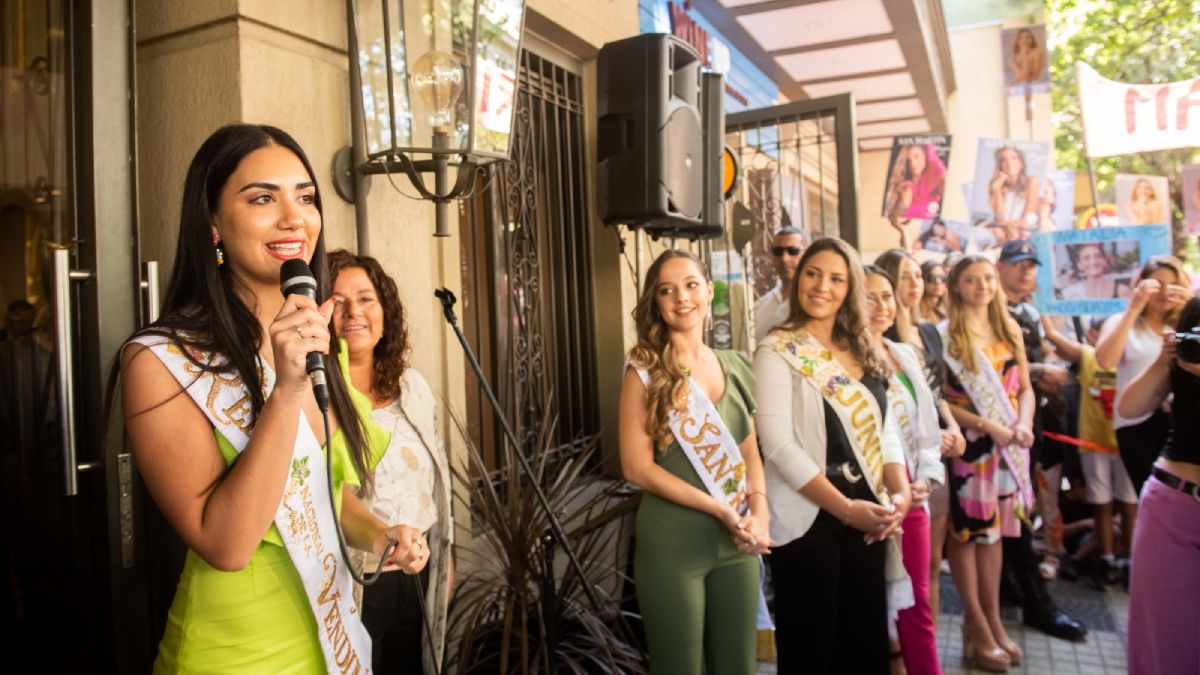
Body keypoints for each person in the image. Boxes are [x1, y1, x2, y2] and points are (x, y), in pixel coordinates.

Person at [114, 124, 428, 672]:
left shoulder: (317, 336)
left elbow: (322, 490)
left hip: (331, 640)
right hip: (232, 653)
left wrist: (380, 536)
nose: (293, 218)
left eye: (305, 197)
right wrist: (284, 393)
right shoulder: (161, 360)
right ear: (212, 222)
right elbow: (226, 545)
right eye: (263, 198)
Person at [755, 237, 911, 674]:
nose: (822, 286)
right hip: (811, 521)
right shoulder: (777, 349)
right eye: (813, 274)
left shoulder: (862, 346)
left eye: (836, 279)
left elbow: (884, 428)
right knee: (813, 653)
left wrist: (899, 492)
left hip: (868, 519)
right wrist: (844, 510)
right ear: (797, 279)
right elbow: (777, 444)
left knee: (865, 647)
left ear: (850, 288)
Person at [619, 249, 769, 674]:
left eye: (690, 285)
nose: (681, 298)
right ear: (656, 303)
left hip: (736, 542)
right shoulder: (644, 371)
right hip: (673, 543)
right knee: (680, 667)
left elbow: (749, 453)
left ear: (708, 291)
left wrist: (759, 513)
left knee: (738, 665)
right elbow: (636, 468)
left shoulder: (735, 364)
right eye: (666, 290)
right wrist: (720, 509)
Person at [329, 250, 453, 674]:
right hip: (354, 579)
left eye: (366, 299)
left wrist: (444, 562)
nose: (354, 312)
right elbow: (329, 495)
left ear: (385, 311)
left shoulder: (411, 387)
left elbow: (437, 483)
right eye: (338, 302)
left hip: (418, 573)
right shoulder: (318, 398)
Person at [940, 255, 1036, 671]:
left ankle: (993, 621)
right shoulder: (945, 336)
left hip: (1007, 447)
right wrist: (985, 424)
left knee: (995, 537)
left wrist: (1024, 422)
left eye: (987, 278)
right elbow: (939, 401)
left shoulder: (1009, 328)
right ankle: (976, 624)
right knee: (968, 535)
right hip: (971, 450)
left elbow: (1026, 389)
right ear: (956, 287)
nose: (981, 286)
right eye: (971, 279)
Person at [994, 240, 1087, 642]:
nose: (1026, 271)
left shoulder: (1032, 312)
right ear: (999, 267)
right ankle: (1033, 599)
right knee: (1011, 511)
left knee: (1022, 507)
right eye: (1018, 264)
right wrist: (1035, 370)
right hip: (998, 426)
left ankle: (1010, 585)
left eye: (1031, 265)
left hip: (1031, 421)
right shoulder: (988, 309)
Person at [864, 264, 947, 675]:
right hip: (870, 502)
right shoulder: (842, 363)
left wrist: (927, 478)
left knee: (917, 604)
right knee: (874, 609)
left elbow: (928, 429)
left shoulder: (905, 354)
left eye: (886, 296)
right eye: (869, 297)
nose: (881, 306)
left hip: (913, 498)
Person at [875, 249, 966, 628]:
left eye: (919, 275)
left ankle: (928, 635)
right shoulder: (882, 336)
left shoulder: (928, 331)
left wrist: (952, 427)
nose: (916, 284)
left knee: (931, 559)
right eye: (905, 277)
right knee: (903, 568)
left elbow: (935, 393)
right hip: (900, 462)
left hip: (931, 455)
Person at [1118, 297, 1200, 675]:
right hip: (1174, 506)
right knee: (1162, 648)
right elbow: (1130, 408)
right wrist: (1165, 362)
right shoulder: (1195, 312)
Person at [1042, 316, 1135, 588]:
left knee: (1129, 504)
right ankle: (1106, 561)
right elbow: (1055, 339)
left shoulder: (1132, 359)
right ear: (1093, 334)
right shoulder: (1089, 357)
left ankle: (1130, 562)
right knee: (1101, 502)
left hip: (1126, 444)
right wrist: (1047, 309)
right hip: (1093, 443)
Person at [1096, 255, 1192, 493]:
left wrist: (1191, 309)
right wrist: (1134, 306)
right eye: (1157, 284)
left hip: (1181, 420)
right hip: (1135, 422)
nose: (1165, 292)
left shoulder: (1184, 326)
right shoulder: (1121, 322)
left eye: (1173, 285)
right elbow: (1105, 360)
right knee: (1151, 494)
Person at [754, 226, 805, 344]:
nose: (784, 258)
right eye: (778, 252)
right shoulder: (760, 306)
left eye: (793, 251)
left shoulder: (817, 303)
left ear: (807, 253)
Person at [885, 144, 947, 221]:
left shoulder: (932, 180)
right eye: (909, 160)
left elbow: (939, 168)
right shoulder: (905, 187)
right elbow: (892, 216)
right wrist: (904, 204)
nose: (913, 164)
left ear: (925, 156)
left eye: (916, 157)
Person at [986, 147, 1040, 237]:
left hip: (1023, 231)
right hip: (1002, 232)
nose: (1009, 163)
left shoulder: (1032, 181)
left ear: (1021, 163)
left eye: (1014, 158)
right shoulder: (994, 184)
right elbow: (1000, 219)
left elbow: (1027, 218)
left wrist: (1007, 227)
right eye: (1004, 160)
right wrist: (996, 189)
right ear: (999, 165)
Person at [1058, 243, 1131, 301]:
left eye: (1098, 256)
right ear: (1079, 265)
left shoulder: (1122, 291)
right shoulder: (1071, 294)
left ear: (1105, 261)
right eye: (1086, 258)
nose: (1093, 262)